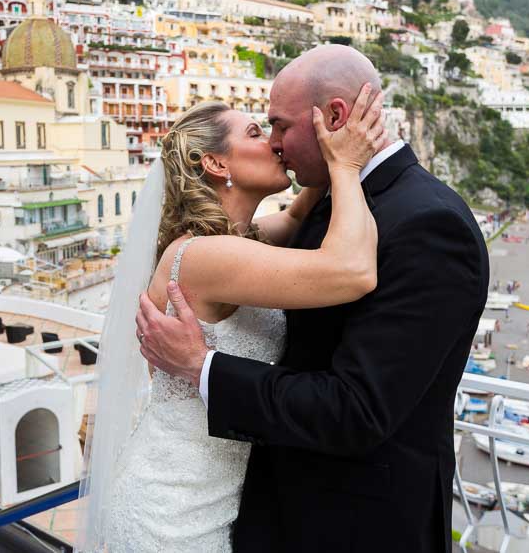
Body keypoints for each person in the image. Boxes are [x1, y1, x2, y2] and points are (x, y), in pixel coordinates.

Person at [135, 44, 489, 552]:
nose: (276, 143)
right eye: (263, 131)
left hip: (354, 526)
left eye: (278, 126)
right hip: (235, 502)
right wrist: (336, 168)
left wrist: (202, 365)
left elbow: (358, 409)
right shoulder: (332, 211)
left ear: (336, 117)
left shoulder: (427, 224)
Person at [78, 53, 387, 552]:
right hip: (173, 513)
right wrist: (349, 166)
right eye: (254, 133)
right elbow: (352, 269)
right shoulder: (205, 257)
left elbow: (290, 220)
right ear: (217, 163)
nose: (273, 142)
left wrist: (327, 152)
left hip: (211, 500)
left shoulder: (236, 241)